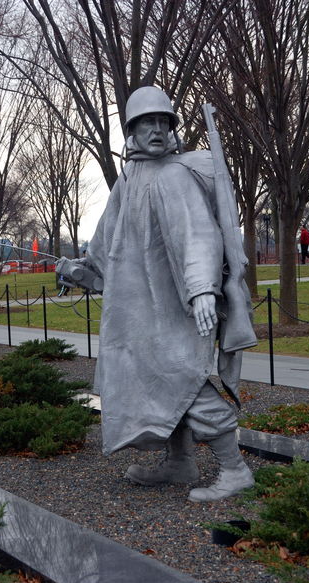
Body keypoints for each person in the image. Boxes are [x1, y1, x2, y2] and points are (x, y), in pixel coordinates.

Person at [56, 87, 256, 502]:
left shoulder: (174, 175)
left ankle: (235, 470)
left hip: (176, 309)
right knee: (157, 384)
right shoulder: (129, 179)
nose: (158, 130)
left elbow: (198, 237)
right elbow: (108, 245)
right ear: (131, 130)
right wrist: (82, 270)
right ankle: (179, 462)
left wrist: (202, 290)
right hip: (139, 312)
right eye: (148, 122)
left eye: (164, 122)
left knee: (184, 377)